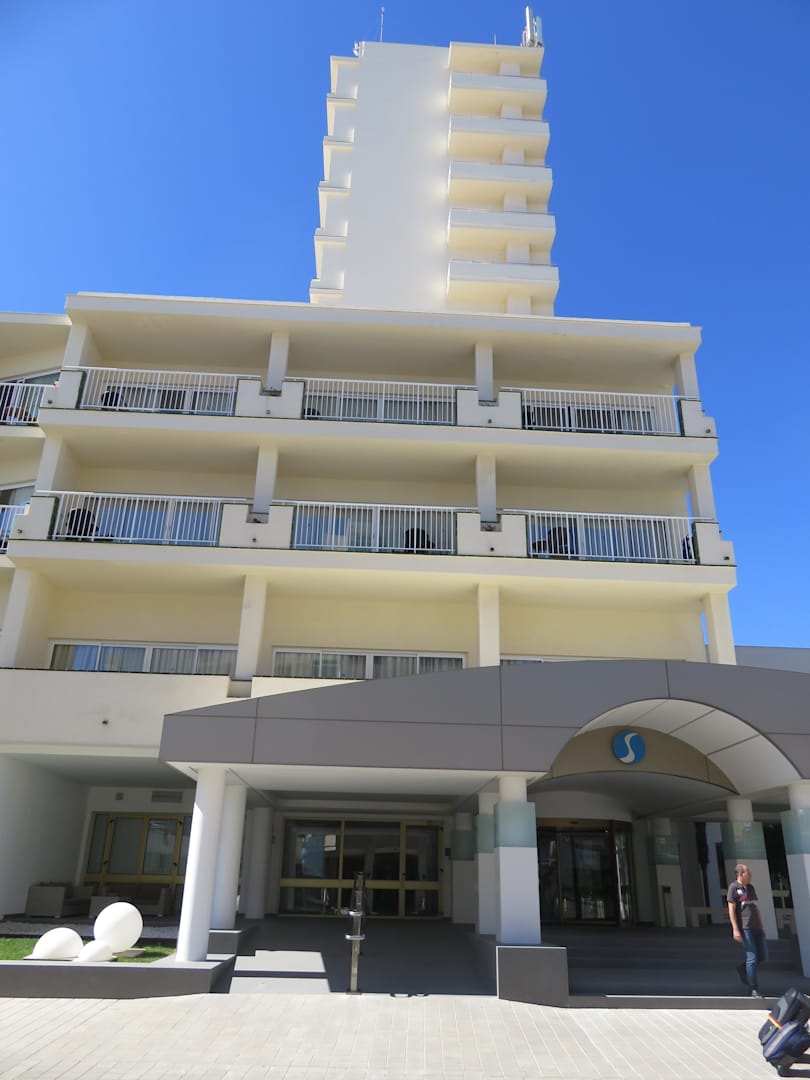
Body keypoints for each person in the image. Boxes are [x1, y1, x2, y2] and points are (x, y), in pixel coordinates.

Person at [727, 862, 768, 997]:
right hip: (745, 928)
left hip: (756, 927)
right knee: (752, 957)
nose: (750, 875)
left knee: (763, 956)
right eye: (748, 873)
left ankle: (742, 968)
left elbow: (755, 907)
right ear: (740, 874)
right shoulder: (733, 888)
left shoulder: (750, 888)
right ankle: (753, 988)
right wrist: (735, 929)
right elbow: (731, 910)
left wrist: (761, 926)